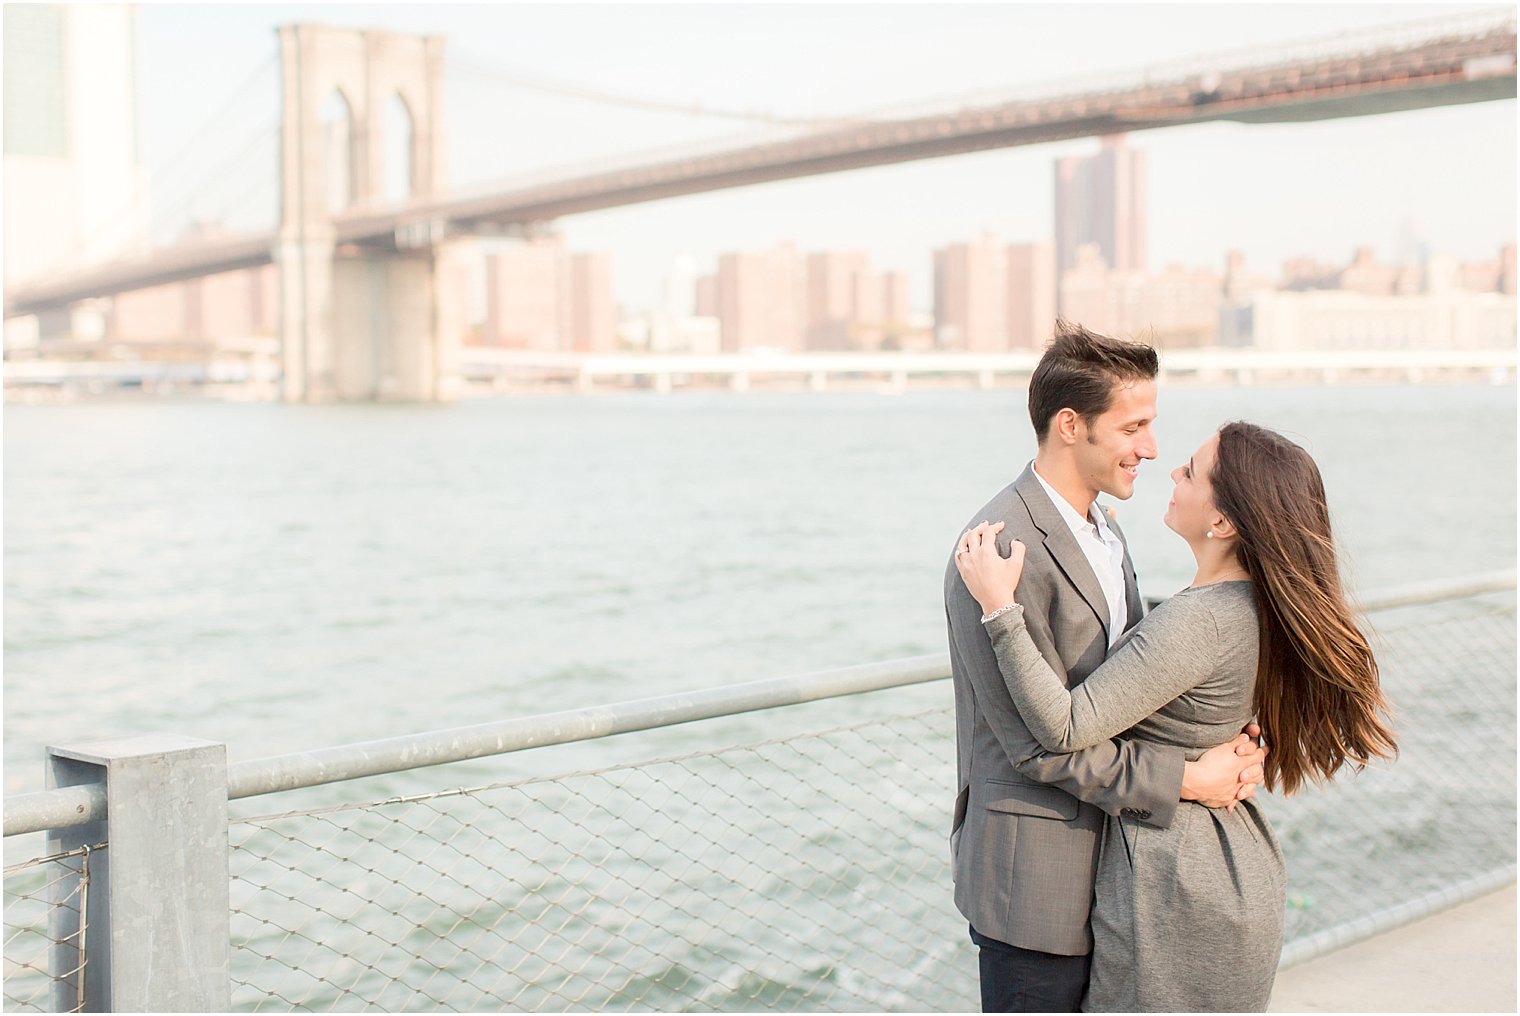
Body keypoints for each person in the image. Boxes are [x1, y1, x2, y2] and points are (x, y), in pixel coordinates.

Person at [955, 421, 1397, 1011]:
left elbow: (1062, 729)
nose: (1170, 469)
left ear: (1224, 522)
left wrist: (1000, 610)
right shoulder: (1244, 605)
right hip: (1222, 867)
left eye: (1190, 471)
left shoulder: (1200, 621)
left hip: (1177, 884)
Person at [945, 322, 1267, 1013]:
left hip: (1119, 878)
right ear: (1071, 425)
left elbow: (1132, 673)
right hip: (1036, 885)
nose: (1150, 449)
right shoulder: (998, 552)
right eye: (1133, 428)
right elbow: (1036, 746)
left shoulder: (1104, 528)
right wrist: (1187, 780)